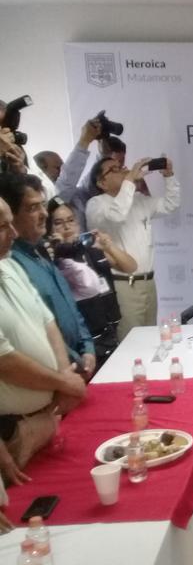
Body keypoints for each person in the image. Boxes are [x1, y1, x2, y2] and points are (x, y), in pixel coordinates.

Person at [0, 196, 87, 490]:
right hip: (12, 433)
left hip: (44, 421)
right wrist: (63, 383)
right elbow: (5, 362)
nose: (13, 233)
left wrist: (64, 376)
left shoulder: (11, 265)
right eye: (2, 227)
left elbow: (47, 321)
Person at [0, 173, 97, 380]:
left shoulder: (41, 252)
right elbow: (37, 328)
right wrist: (75, 363)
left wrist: (87, 347)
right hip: (54, 373)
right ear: (11, 214)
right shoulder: (11, 263)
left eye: (43, 205)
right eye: (32, 208)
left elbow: (70, 307)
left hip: (75, 368)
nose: (44, 213)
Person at [86, 154, 179, 340]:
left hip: (148, 282)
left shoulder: (139, 200)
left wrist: (169, 176)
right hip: (123, 284)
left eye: (121, 166)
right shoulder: (96, 204)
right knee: (130, 341)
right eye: (114, 169)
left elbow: (171, 204)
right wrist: (129, 180)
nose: (123, 170)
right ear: (101, 183)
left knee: (150, 339)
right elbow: (117, 215)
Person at [46, 200, 136, 365]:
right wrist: (57, 248)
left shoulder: (92, 249)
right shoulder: (52, 258)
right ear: (49, 228)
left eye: (71, 220)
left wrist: (108, 246)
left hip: (108, 327)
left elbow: (130, 267)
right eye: (58, 223)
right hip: (82, 337)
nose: (67, 227)